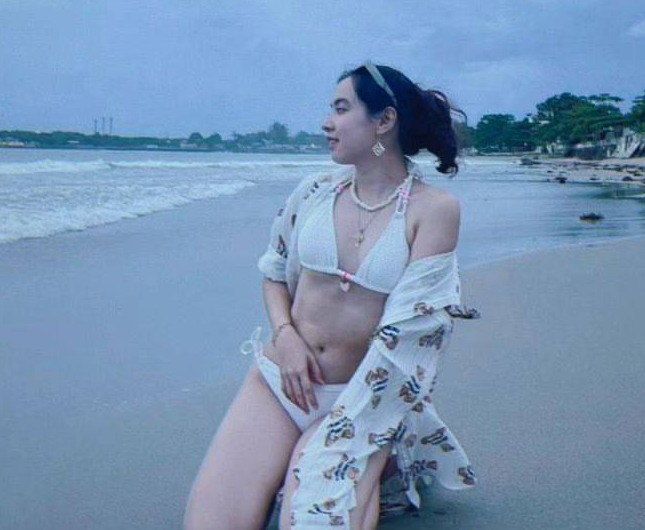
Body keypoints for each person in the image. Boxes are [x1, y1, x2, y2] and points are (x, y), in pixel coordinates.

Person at [184, 62, 478, 530]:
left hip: (364, 399)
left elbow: (413, 335)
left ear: (384, 121)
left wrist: (350, 427)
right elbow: (274, 273)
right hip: (282, 383)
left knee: (313, 520)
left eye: (341, 109)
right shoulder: (315, 191)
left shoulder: (434, 210)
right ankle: (310, 468)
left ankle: (375, 463)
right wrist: (286, 337)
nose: (327, 123)